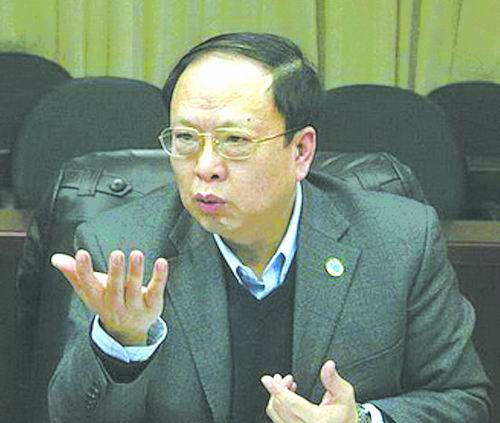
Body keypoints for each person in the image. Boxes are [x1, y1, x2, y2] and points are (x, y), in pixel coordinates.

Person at [48, 32, 491, 423]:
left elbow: (464, 401)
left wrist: (361, 419)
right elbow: (69, 417)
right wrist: (122, 344)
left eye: (235, 141)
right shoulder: (122, 250)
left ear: (300, 151)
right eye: (185, 139)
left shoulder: (399, 242)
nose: (204, 166)